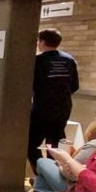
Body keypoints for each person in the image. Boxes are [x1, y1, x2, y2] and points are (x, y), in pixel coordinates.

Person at [27, 28, 79, 172]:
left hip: (42, 109)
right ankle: (55, 174)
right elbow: (74, 86)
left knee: (30, 144)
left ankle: (42, 174)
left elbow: (30, 85)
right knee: (55, 145)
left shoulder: (37, 61)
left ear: (42, 42)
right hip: (63, 108)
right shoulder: (69, 60)